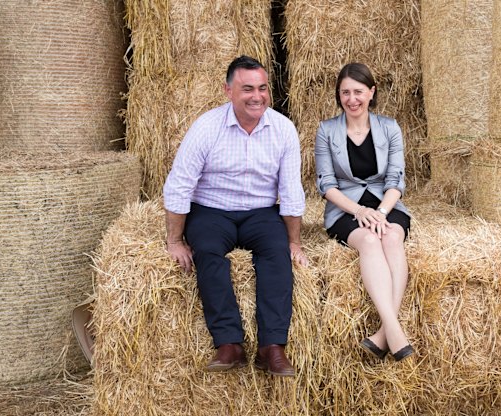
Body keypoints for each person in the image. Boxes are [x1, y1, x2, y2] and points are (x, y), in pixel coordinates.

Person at [163, 55, 308, 377]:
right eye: (247, 89)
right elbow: (180, 183)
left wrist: (294, 242)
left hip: (260, 211)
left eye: (262, 88)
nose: (256, 96)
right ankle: (229, 344)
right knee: (208, 253)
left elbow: (291, 189)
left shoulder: (283, 129)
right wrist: (174, 240)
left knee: (276, 254)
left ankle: (272, 347)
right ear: (228, 91)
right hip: (212, 209)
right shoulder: (206, 127)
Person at [315, 62, 413, 361]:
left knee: (391, 238)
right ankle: (394, 330)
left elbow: (396, 180)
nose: (352, 99)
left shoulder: (390, 127)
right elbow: (326, 184)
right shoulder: (326, 130)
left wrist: (381, 212)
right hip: (345, 208)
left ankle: (385, 333)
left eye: (358, 91)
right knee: (370, 241)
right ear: (339, 95)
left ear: (371, 92)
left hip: (387, 203)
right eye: (345, 92)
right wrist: (358, 210)